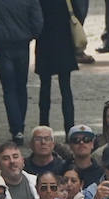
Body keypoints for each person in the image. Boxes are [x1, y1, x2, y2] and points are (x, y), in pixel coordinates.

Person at [0, 0, 43, 143]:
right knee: (21, 86)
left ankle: (16, 129)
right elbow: (37, 21)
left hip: (1, 42)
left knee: (9, 88)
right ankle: (19, 127)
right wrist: (31, 34)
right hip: (22, 42)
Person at [34, 0, 78, 134]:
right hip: (64, 40)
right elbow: (77, 10)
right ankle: (69, 128)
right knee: (65, 87)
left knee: (45, 87)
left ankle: (43, 125)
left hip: (44, 40)